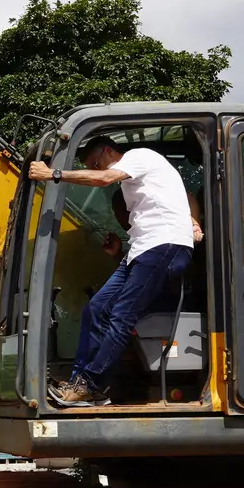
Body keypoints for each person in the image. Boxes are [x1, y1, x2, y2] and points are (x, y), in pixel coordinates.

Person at [29, 136, 201, 406]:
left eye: (95, 164)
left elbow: (105, 178)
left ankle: (90, 385)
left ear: (109, 151)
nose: (95, 171)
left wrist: (54, 174)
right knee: (96, 308)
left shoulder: (139, 156)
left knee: (121, 316)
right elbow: (171, 199)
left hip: (162, 246)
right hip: (143, 250)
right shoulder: (142, 181)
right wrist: (192, 222)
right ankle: (79, 383)